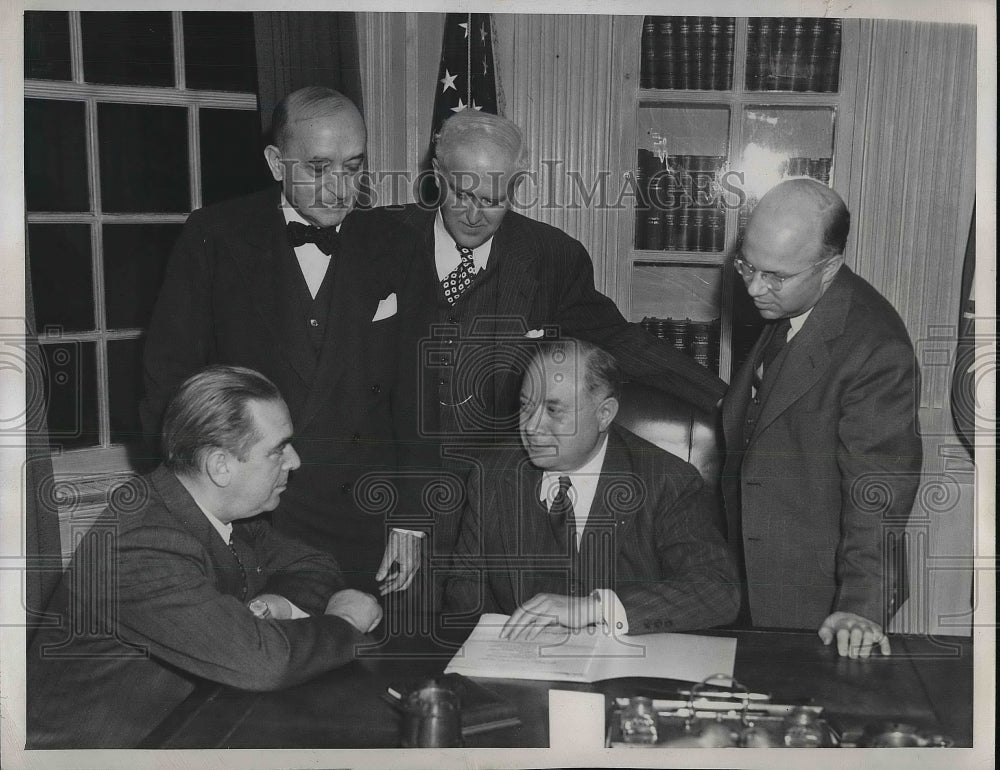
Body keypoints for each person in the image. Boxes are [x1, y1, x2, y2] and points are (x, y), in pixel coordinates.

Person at [388, 109, 728, 569]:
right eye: (460, 193)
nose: (473, 214)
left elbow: (618, 342)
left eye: (492, 199)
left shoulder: (551, 258)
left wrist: (730, 401)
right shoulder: (381, 242)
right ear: (436, 173)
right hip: (388, 500)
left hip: (499, 516)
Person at [141, 87, 423, 596]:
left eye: (354, 167)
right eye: (318, 168)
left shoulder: (398, 244)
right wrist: (200, 520)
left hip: (370, 521)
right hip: (255, 525)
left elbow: (421, 395)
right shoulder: (214, 236)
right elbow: (167, 386)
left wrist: (412, 517)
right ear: (276, 162)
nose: (340, 189)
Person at [27, 366, 383, 748]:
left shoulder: (221, 511)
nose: (294, 461)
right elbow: (264, 663)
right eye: (278, 449)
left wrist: (276, 604)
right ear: (220, 466)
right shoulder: (138, 547)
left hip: (181, 726)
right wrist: (345, 621)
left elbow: (314, 566)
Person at [720, 178, 922, 659]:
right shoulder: (784, 301)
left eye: (774, 275)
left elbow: (878, 493)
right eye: (747, 265)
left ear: (829, 268)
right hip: (751, 579)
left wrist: (860, 607)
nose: (752, 287)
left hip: (816, 604)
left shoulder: (877, 349)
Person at [442, 339, 739, 637]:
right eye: (525, 406)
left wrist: (596, 609)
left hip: (622, 668)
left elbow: (717, 591)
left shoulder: (665, 481)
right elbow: (465, 595)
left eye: (553, 410)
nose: (531, 426)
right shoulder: (494, 473)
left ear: (604, 414)